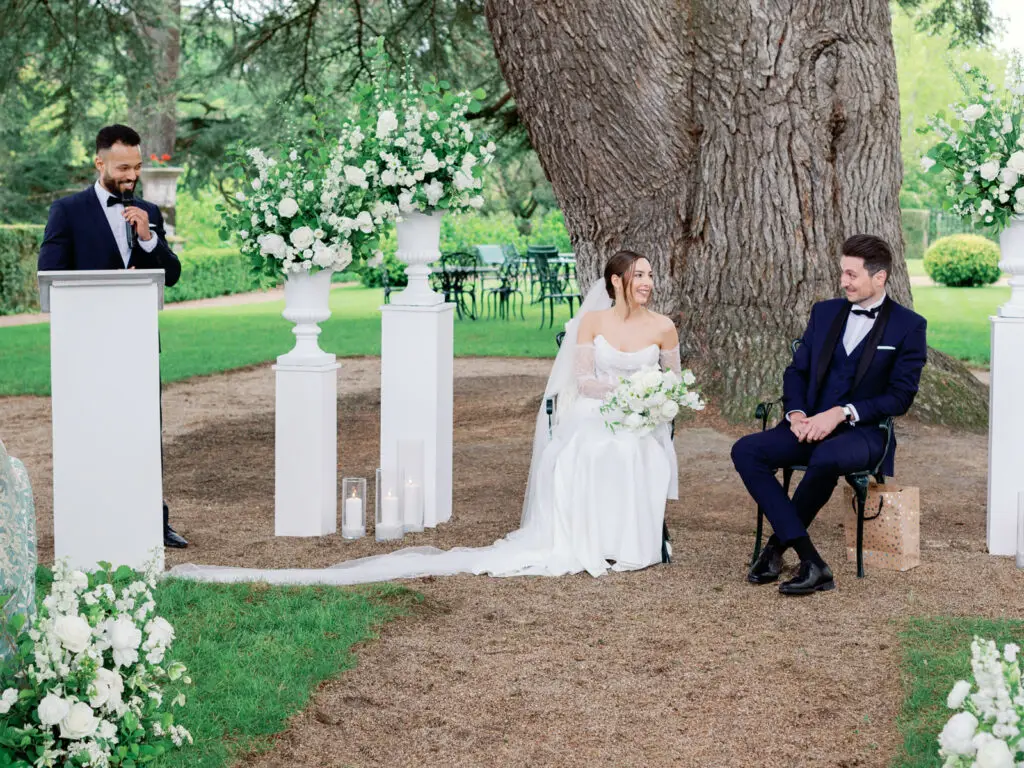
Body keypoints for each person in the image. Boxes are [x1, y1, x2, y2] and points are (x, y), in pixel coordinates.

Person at [169, 250, 682, 584]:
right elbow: (585, 379)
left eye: (651, 276)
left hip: (640, 415)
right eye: (640, 275)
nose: (648, 283)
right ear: (617, 280)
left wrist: (649, 399)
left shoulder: (664, 327)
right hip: (600, 406)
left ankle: (632, 541)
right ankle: (591, 538)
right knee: (590, 443)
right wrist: (625, 393)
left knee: (633, 445)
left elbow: (674, 381)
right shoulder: (592, 320)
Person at [730, 234, 927, 595]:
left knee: (826, 456)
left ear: (879, 278)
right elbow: (797, 371)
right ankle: (812, 561)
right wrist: (796, 413)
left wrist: (841, 413)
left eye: (852, 275)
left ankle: (775, 548)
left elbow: (900, 397)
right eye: (842, 273)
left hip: (863, 434)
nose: (844, 281)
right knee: (746, 450)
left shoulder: (908, 326)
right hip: (808, 425)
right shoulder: (824, 312)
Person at [38, 124, 187, 549]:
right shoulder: (66, 211)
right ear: (99, 163)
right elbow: (49, 274)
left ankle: (152, 521)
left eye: (137, 166)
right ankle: (92, 515)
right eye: (123, 166)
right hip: (87, 346)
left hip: (138, 345)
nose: (131, 175)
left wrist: (147, 238)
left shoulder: (149, 213)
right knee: (92, 428)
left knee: (145, 432)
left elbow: (171, 275)